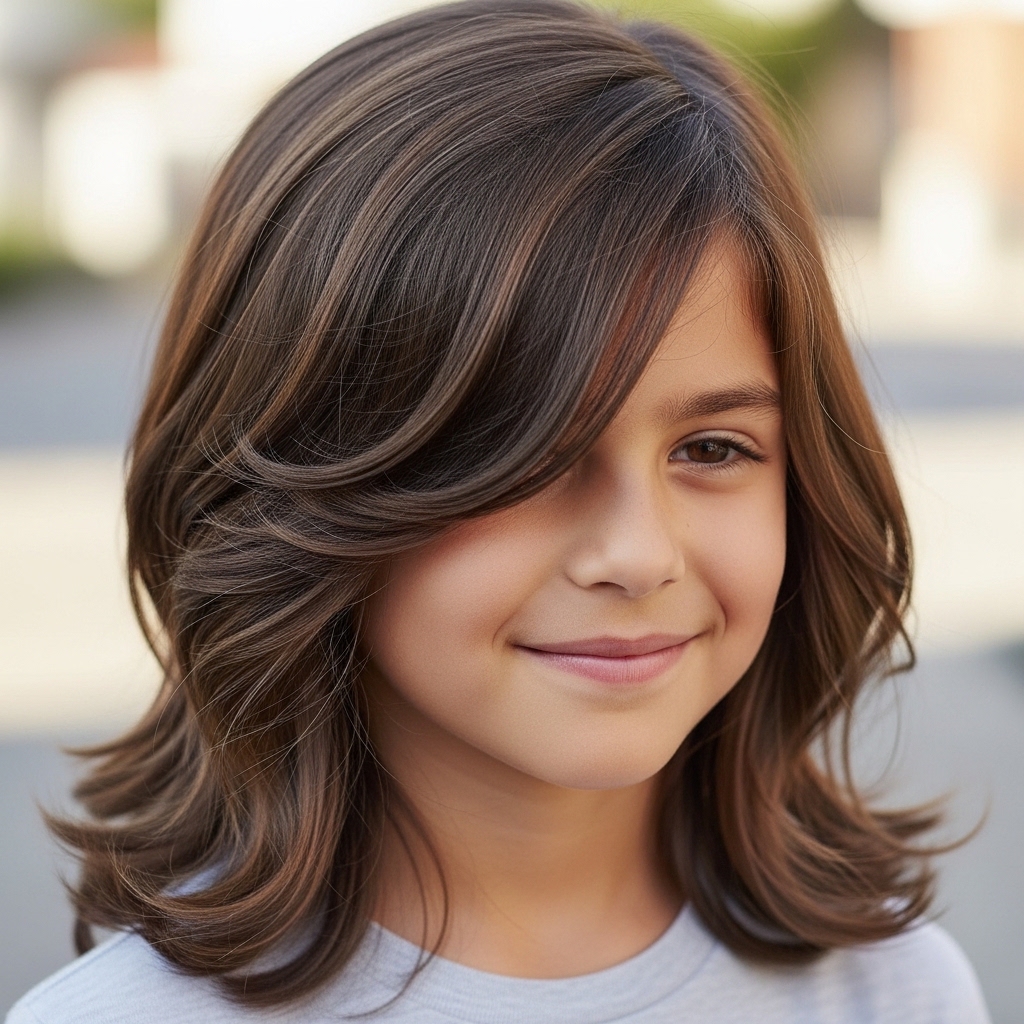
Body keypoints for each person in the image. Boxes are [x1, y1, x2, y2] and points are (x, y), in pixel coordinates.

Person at [7, 1, 991, 1021]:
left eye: (711, 448)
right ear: (301, 470)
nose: (637, 554)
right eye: (531, 455)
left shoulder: (893, 991)